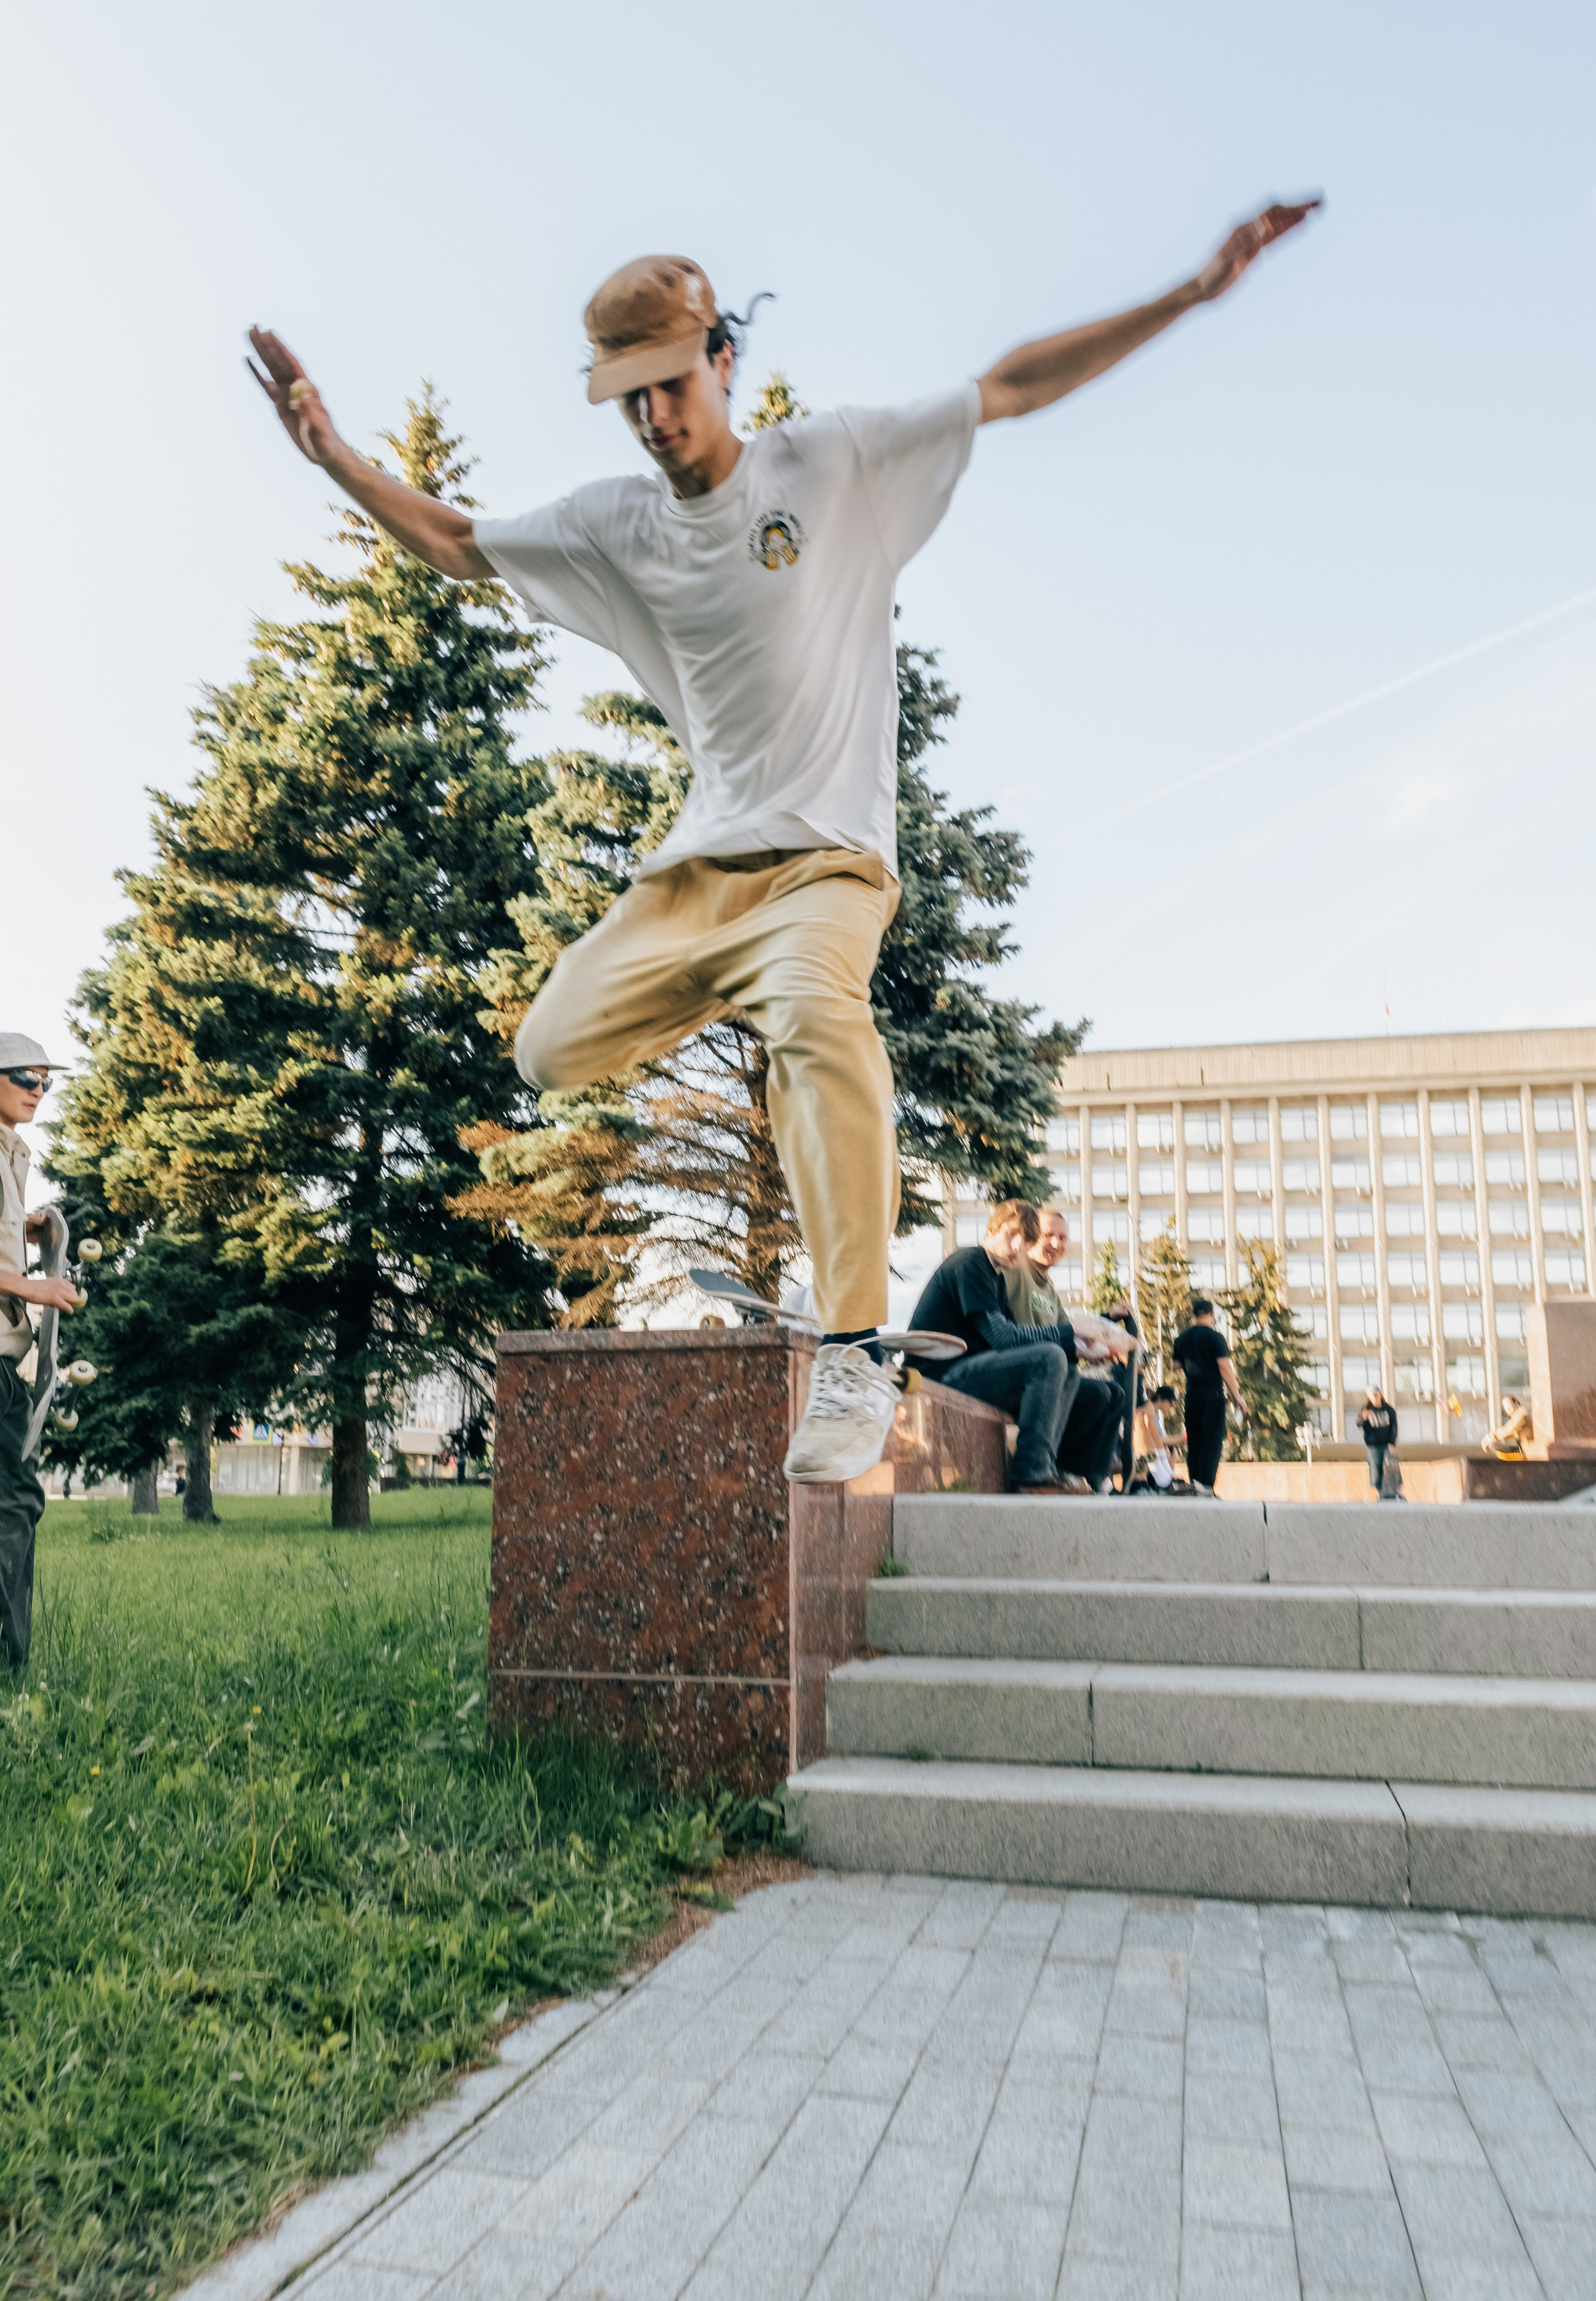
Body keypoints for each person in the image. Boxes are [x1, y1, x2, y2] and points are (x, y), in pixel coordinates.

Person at [248, 200, 1317, 1486]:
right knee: (545, 1049)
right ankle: (763, 1034)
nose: (653, 420)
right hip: (699, 879)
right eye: (627, 400)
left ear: (721, 360)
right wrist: (333, 459)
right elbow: (464, 546)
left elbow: (1009, 387)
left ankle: (858, 1354)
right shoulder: (616, 525)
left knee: (817, 1013)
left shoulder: (828, 465)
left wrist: (1187, 295)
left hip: (827, 864)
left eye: (668, 388)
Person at [910, 1203, 1123, 1492]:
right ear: (992, 1228)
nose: (1017, 1246)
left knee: (1070, 1370)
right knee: (1049, 1358)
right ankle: (1031, 1470)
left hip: (967, 1372)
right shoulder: (970, 1262)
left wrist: (1080, 1351)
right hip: (939, 1376)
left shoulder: (996, 1279)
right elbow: (1003, 1337)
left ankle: (1050, 1468)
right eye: (1011, 1235)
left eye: (1027, 1241)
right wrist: (1072, 1331)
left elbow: (1016, 1336)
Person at [0, 1036, 80, 1671]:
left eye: (46, 1081)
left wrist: (24, 1228)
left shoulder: (10, 1154)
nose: (38, 1089)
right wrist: (32, 1285)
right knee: (14, 1505)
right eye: (25, 1076)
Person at [1172, 1296, 1244, 1496]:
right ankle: (1206, 1487)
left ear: (1194, 1315)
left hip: (1192, 1395)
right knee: (1211, 1442)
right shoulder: (1215, 1338)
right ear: (1211, 1314)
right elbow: (1224, 1367)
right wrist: (1237, 1396)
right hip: (1212, 1395)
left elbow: (1176, 1366)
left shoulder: (1182, 1338)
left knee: (1194, 1440)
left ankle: (1194, 1482)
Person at [1134, 1383, 1187, 1490]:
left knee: (1166, 1451)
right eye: (1170, 1403)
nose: (1171, 1406)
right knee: (1160, 1452)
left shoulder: (1153, 1414)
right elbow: (1151, 1436)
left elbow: (1156, 1437)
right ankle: (1162, 1482)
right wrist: (1179, 1439)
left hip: (1149, 1449)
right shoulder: (1146, 1413)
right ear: (1160, 1399)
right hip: (1140, 1447)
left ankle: (1165, 1479)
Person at [1357, 1387, 1398, 1494]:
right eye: (1372, 1394)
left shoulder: (1389, 1409)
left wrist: (1392, 1442)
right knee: (1376, 1469)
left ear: (1381, 1394)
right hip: (1373, 1445)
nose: (1375, 1395)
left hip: (1387, 1444)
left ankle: (1398, 1491)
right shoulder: (1366, 1409)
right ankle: (1380, 1492)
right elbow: (1359, 1425)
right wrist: (1363, 1419)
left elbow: (1394, 1427)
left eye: (1376, 1393)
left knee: (1392, 1467)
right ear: (1369, 1397)